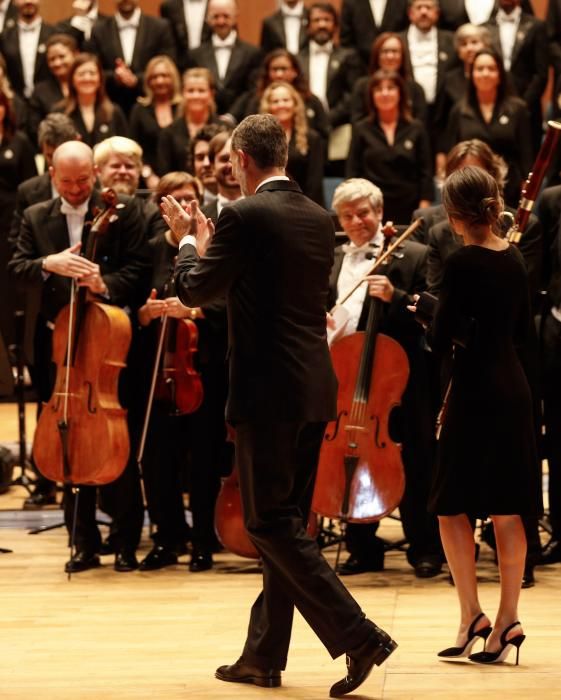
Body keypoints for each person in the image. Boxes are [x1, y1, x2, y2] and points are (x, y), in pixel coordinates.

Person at [164, 113, 397, 697]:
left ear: (242, 159)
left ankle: (359, 634)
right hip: (314, 388)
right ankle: (262, 656)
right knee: (287, 527)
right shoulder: (319, 218)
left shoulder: (243, 214)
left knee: (268, 523)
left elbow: (195, 290)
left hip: (266, 393)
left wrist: (189, 244)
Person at [411, 165, 542, 664]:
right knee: (509, 508)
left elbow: (439, 341)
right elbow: (520, 336)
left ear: (453, 213)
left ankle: (471, 613)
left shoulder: (462, 262)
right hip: (513, 390)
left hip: (472, 393)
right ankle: (505, 620)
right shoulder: (514, 259)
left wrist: (426, 309)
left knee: (450, 505)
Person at [9, 140, 150, 573]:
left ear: (96, 174)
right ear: (52, 175)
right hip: (59, 342)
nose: (74, 190)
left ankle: (125, 540)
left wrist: (102, 284)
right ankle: (82, 542)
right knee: (69, 437)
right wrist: (49, 262)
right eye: (66, 182)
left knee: (115, 443)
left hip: (113, 344)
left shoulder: (124, 212)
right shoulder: (36, 216)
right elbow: (16, 268)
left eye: (83, 181)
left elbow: (141, 270)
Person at [327, 178, 442, 578]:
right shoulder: (335, 260)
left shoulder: (415, 254)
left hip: (401, 377)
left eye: (364, 212)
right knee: (354, 459)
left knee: (415, 460)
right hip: (348, 379)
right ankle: (362, 547)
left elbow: (432, 316)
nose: (358, 221)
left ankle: (425, 547)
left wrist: (395, 296)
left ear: (379, 212)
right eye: (348, 215)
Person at [133, 172, 205, 571]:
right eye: (174, 199)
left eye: (190, 198)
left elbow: (227, 303)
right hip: (157, 371)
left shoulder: (212, 245)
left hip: (199, 368)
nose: (183, 206)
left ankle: (203, 540)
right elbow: (133, 306)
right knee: (158, 460)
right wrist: (144, 313)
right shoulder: (148, 251)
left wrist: (194, 309)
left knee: (202, 459)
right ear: (162, 207)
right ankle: (167, 537)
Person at [442, 48, 532, 208]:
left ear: (500, 75)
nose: (485, 73)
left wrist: (526, 192)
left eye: (491, 69)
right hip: (468, 189)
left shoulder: (518, 109)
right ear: (471, 74)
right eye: (479, 69)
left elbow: (526, 155)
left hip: (509, 189)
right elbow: (452, 154)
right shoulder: (459, 110)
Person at [347, 69, 433, 224]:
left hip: (411, 209)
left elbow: (426, 172)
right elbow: (353, 171)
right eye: (379, 89)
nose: (385, 93)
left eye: (391, 88)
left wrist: (423, 208)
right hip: (371, 209)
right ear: (372, 96)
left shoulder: (416, 128)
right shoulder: (361, 129)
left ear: (401, 93)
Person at [88, 0, 176, 116]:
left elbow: (170, 65)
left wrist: (137, 80)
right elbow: (92, 68)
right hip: (111, 106)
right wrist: (115, 77)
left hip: (151, 106)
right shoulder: (98, 30)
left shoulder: (160, 27)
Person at [231, 48, 329, 141]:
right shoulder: (257, 101)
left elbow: (324, 134)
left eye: (283, 69)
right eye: (275, 69)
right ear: (268, 73)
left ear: (295, 72)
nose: (279, 74)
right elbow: (247, 134)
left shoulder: (311, 100)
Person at [189, 0, 262, 117]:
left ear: (235, 17)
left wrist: (231, 116)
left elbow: (251, 91)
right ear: (208, 18)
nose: (221, 21)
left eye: (226, 16)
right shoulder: (194, 54)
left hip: (241, 120)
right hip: (206, 120)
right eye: (216, 16)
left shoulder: (252, 53)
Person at [260, 81, 325, 206]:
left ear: (295, 105)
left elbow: (315, 185)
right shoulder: (259, 139)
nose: (281, 105)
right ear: (268, 106)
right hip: (268, 206)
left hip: (305, 205)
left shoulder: (312, 138)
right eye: (275, 101)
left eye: (286, 100)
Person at [156, 68, 225, 177]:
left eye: (201, 91)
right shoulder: (168, 133)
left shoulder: (225, 129)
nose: (196, 96)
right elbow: (165, 174)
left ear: (211, 94)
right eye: (190, 91)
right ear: (183, 93)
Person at [53, 52, 128, 148]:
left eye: (92, 73)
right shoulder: (59, 112)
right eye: (81, 74)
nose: (87, 78)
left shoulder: (114, 112)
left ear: (100, 79)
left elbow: (125, 150)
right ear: (72, 79)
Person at [128, 55, 182, 188]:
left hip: (182, 179)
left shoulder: (183, 107)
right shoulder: (139, 109)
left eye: (164, 76)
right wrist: (148, 175)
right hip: (146, 182)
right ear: (148, 81)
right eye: (154, 77)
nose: (160, 81)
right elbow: (134, 148)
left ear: (173, 79)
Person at [350, 31, 427, 125]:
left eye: (395, 51)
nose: (390, 56)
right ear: (376, 55)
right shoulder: (362, 86)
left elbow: (420, 127)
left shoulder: (416, 89)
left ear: (402, 56)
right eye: (385, 51)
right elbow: (357, 124)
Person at [0, 0, 55, 99]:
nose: (28, 1)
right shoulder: (4, 37)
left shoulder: (54, 34)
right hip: (14, 102)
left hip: (48, 101)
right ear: (14, 2)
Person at [28, 33, 78, 138]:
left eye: (62, 57)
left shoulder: (86, 84)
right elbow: (33, 128)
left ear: (75, 55)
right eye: (52, 59)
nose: (57, 63)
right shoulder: (40, 91)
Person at [340, 0, 409, 65]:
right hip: (360, 68)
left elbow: (406, 34)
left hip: (395, 66)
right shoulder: (350, 2)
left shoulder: (402, 1)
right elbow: (346, 41)